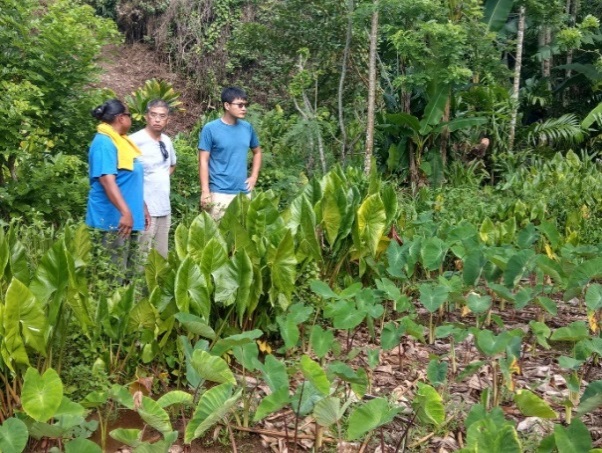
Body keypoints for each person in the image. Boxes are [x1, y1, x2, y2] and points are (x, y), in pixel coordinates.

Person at [86, 99, 149, 276]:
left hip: (128, 218)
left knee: (129, 273)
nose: (131, 119)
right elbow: (107, 180)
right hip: (114, 220)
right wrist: (125, 212)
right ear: (121, 118)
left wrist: (141, 207)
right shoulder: (104, 142)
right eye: (129, 115)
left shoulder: (121, 142)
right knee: (113, 276)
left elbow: (129, 179)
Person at [198, 86, 262, 220]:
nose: (244, 108)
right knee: (218, 237)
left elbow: (257, 152)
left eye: (245, 105)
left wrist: (254, 176)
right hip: (220, 193)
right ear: (227, 105)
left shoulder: (247, 128)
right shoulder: (210, 129)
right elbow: (203, 160)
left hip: (243, 193)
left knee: (241, 238)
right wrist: (205, 192)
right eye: (239, 105)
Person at [129, 100, 177, 260]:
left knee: (160, 258)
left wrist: (159, 179)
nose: (157, 119)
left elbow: (172, 165)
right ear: (146, 117)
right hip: (143, 209)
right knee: (141, 258)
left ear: (167, 119)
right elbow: (125, 173)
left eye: (162, 116)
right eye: (153, 115)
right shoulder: (135, 140)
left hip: (164, 207)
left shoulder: (167, 141)